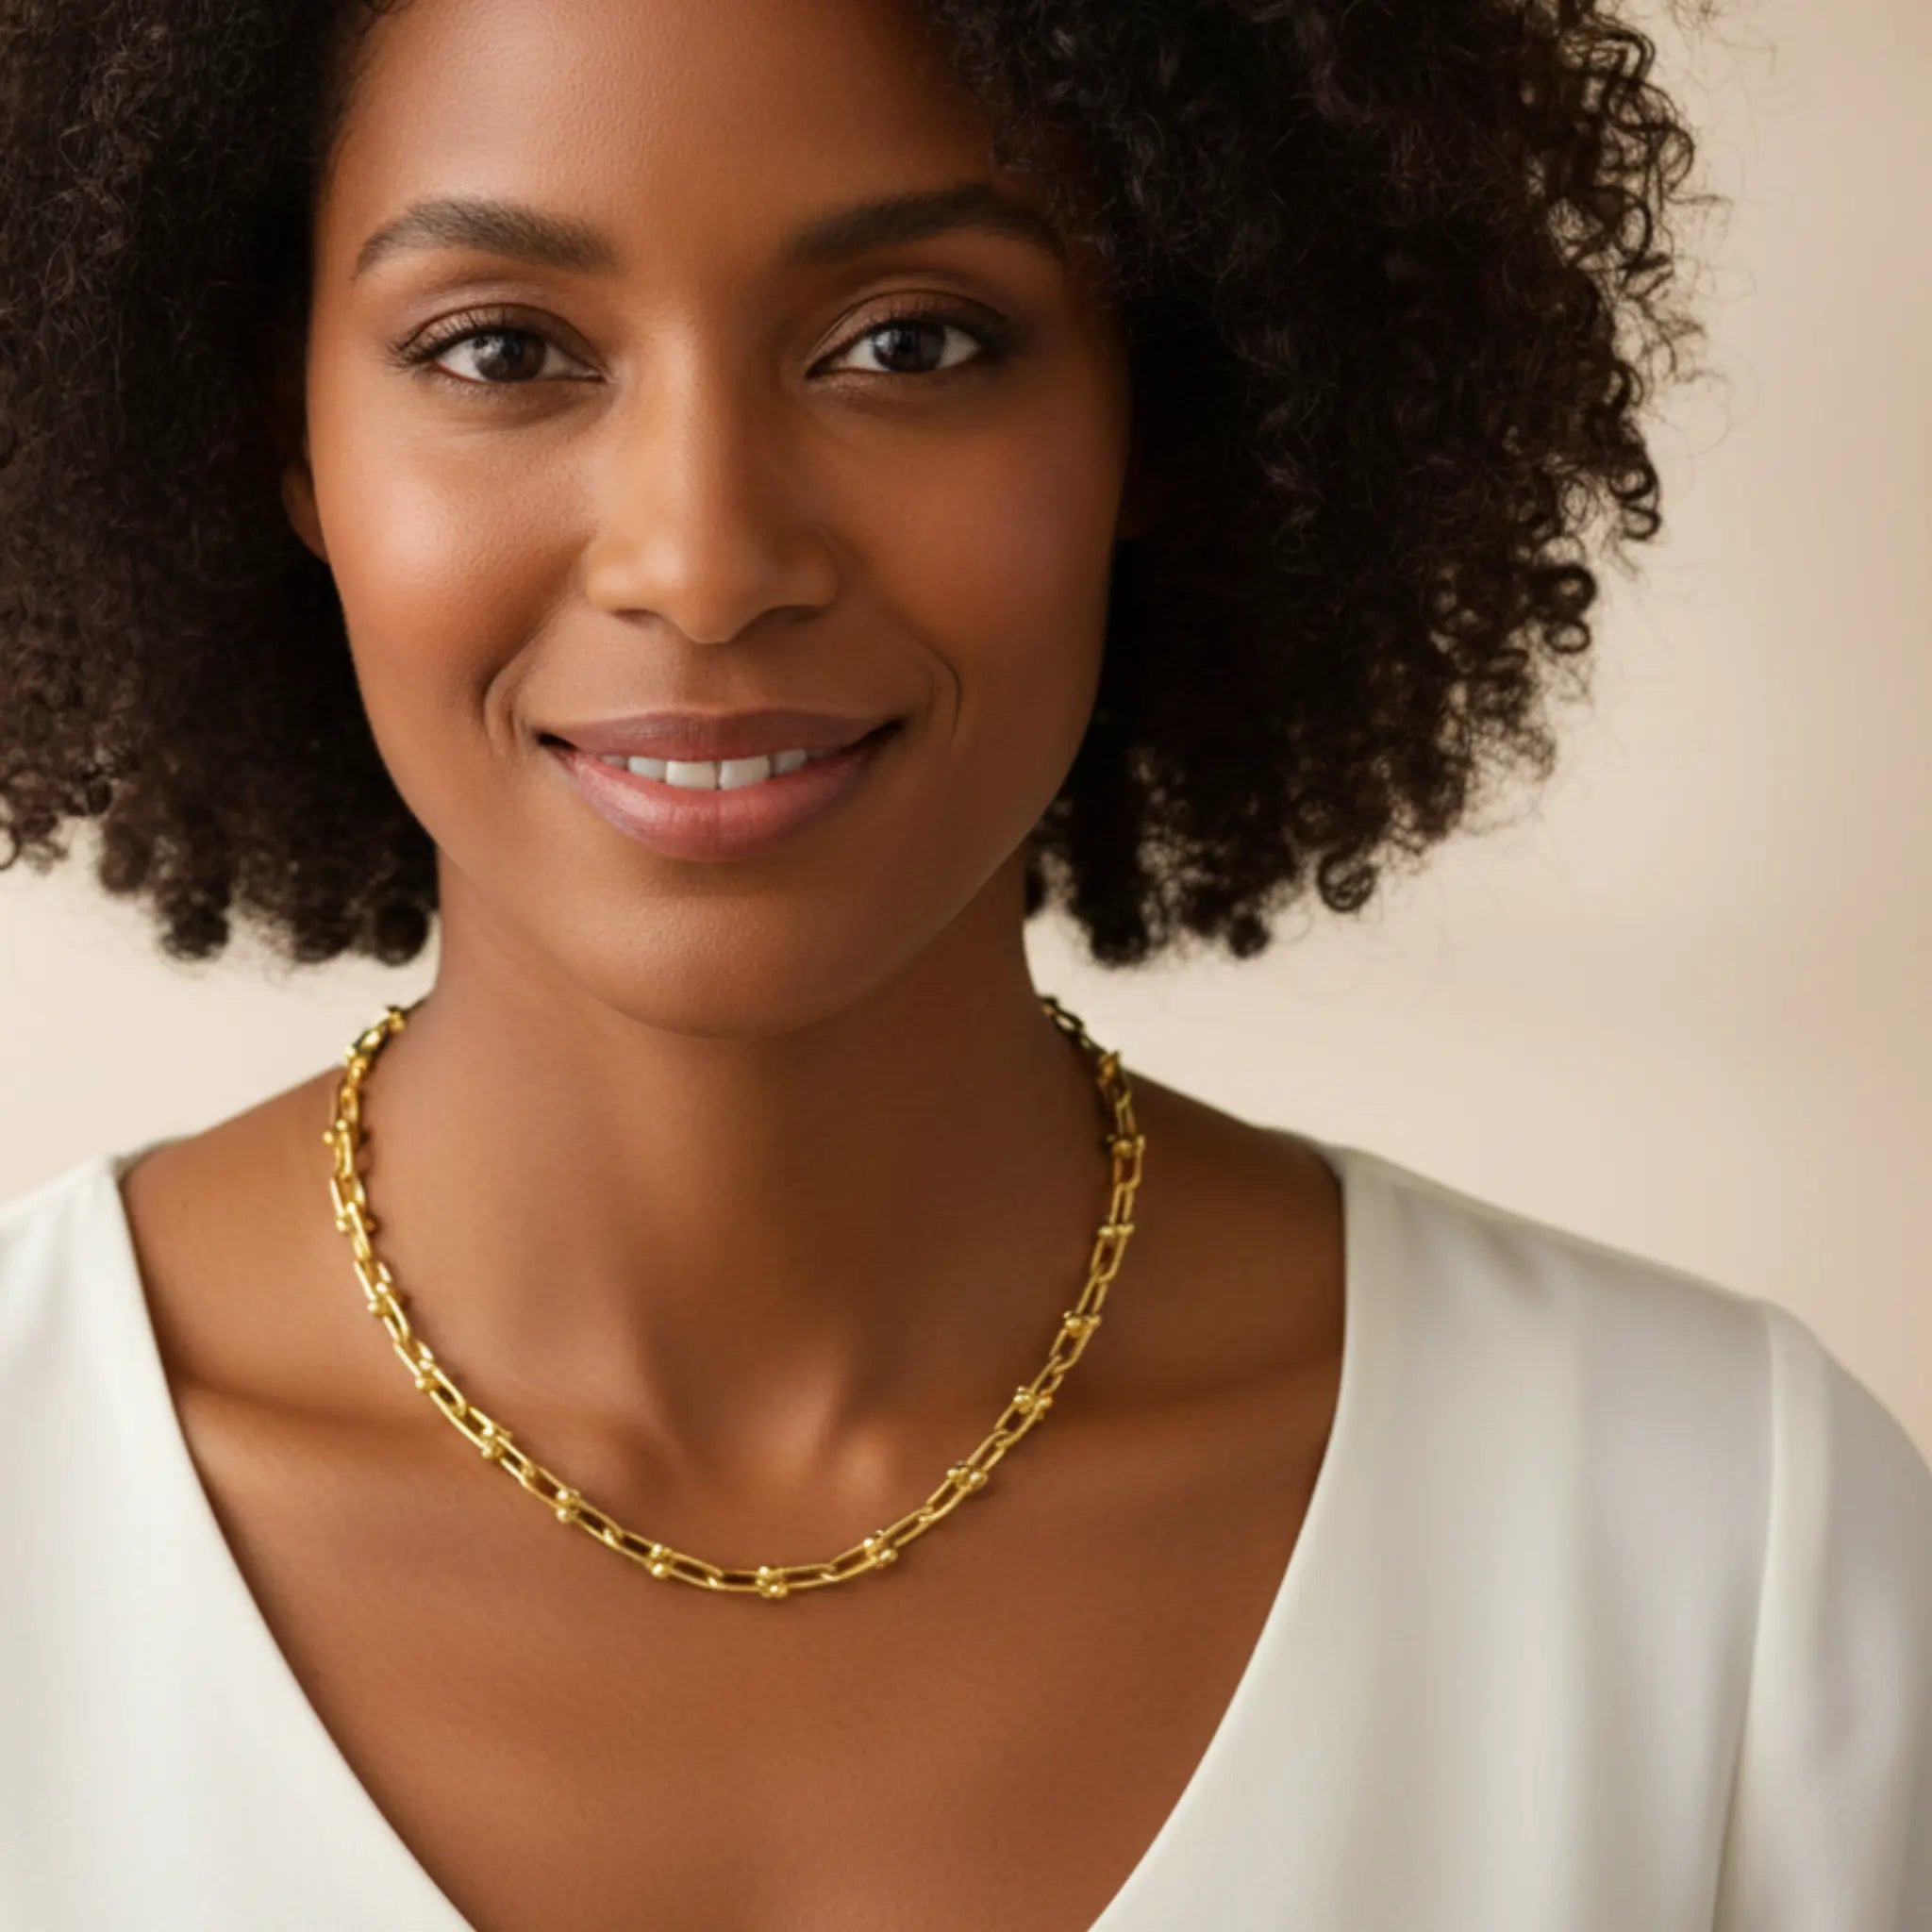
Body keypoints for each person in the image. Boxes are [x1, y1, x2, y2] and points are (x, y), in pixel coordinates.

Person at [1, 0, 1927, 1926]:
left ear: (1161, 403)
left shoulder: (1717, 1560)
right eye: (501, 348)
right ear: (285, 433)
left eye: (909, 344)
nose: (702, 552)